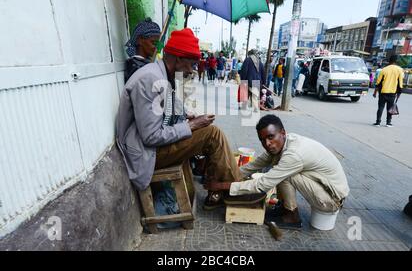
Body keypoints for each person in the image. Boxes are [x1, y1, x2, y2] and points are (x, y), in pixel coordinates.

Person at [116, 28, 263, 211]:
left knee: (209, 133)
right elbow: (151, 137)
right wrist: (191, 125)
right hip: (145, 152)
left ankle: (218, 191)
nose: (193, 70)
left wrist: (186, 117)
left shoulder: (162, 75)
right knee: (212, 134)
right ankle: (236, 190)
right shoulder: (150, 79)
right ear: (178, 59)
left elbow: (166, 108)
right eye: (192, 64)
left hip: (152, 146)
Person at [205, 114, 350, 229]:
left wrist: (222, 186)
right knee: (280, 169)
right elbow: (252, 166)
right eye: (262, 140)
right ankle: (284, 208)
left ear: (282, 133)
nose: (267, 144)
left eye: (270, 137)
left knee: (282, 173)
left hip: (332, 199)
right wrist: (228, 176)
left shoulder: (293, 154)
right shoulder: (283, 144)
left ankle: (292, 216)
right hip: (323, 188)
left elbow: (263, 184)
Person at [124, 18, 161, 83]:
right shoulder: (135, 67)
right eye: (153, 42)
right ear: (140, 40)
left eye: (157, 43)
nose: (156, 47)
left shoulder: (145, 63)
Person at [373, 56, 404, 127]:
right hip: (392, 93)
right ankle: (388, 123)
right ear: (396, 61)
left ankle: (378, 122)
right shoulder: (400, 70)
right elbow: (400, 83)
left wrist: (375, 92)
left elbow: (378, 82)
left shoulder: (384, 70)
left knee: (380, 107)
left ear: (389, 61)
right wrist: (399, 93)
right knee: (390, 108)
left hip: (383, 92)